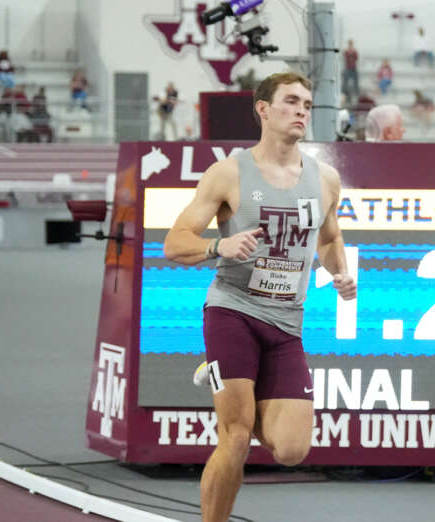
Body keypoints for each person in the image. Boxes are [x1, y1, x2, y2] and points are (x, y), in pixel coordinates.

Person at [164, 72, 357, 522]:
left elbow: (329, 239)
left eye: (307, 104)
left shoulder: (325, 179)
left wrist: (341, 273)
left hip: (287, 324)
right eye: (291, 102)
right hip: (232, 311)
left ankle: (226, 375)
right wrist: (218, 246)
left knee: (292, 449)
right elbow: (175, 242)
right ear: (264, 110)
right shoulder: (229, 172)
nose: (301, 111)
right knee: (234, 435)